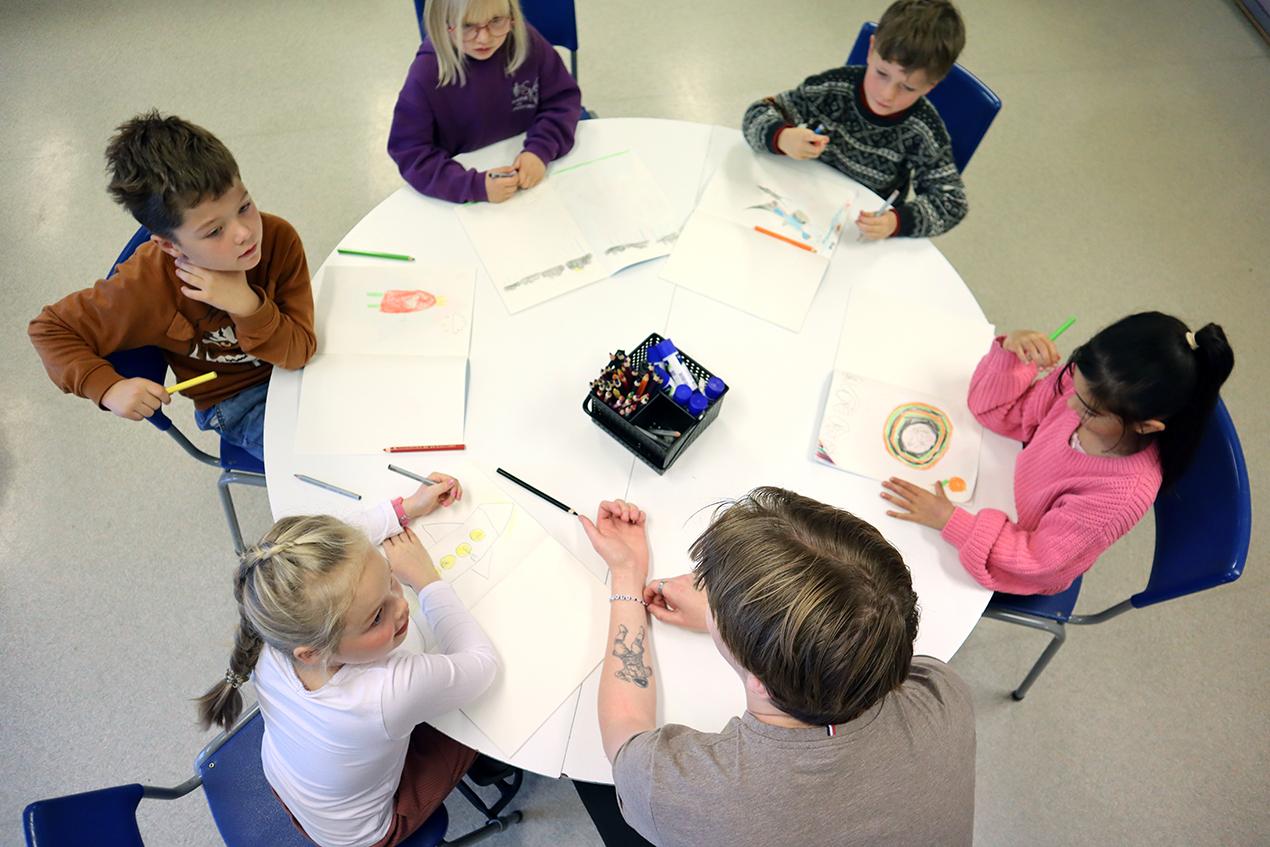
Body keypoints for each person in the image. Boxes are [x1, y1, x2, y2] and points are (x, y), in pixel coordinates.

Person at [578, 488, 976, 847]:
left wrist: (627, 574)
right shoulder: (941, 693)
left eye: (711, 594)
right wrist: (748, 624)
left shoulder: (681, 790)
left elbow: (625, 727)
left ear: (761, 683)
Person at [197, 474, 499, 847]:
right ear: (314, 652)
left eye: (390, 580)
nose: (401, 605)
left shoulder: (277, 622)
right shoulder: (384, 692)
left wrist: (404, 508)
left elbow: (336, 549)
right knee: (490, 715)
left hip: (295, 790)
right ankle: (493, 767)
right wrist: (426, 580)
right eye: (376, 617)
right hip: (365, 834)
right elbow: (483, 666)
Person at [28, 111, 314, 460]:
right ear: (169, 245)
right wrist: (109, 388)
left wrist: (247, 305)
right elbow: (50, 329)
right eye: (214, 231)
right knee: (322, 458)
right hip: (237, 402)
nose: (244, 233)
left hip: (298, 368)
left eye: (244, 206)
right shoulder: (146, 284)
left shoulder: (277, 239)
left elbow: (299, 352)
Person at [881, 312, 1235, 595]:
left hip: (1020, 559)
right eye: (1073, 383)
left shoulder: (1119, 496)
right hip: (1001, 498)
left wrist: (950, 521)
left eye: (1089, 411)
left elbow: (1038, 562)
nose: (1067, 404)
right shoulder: (1094, 388)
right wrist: (1011, 354)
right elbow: (997, 411)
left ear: (1145, 426)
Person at [741, 0, 968, 239]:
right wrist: (782, 137)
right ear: (871, 50)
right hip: (799, 197)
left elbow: (952, 202)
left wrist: (896, 222)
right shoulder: (832, 88)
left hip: (856, 228)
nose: (886, 95)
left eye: (908, 88)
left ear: (931, 86)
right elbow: (757, 114)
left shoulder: (922, 131)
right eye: (881, 74)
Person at [388, 0, 582, 204]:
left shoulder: (526, 40)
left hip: (533, 179)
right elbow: (410, 152)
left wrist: (540, 150)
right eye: (467, 25)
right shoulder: (426, 73)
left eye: (496, 20)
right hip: (466, 195)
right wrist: (472, 186)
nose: (484, 37)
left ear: (512, 14)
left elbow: (562, 100)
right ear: (442, 24)